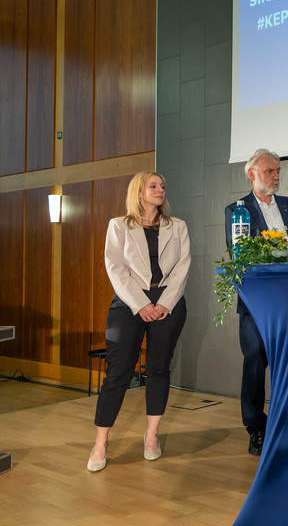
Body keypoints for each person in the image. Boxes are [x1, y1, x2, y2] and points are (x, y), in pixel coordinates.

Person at [87, 171, 191, 472]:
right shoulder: (118, 226)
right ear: (139, 191)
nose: (160, 190)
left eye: (162, 186)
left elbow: (183, 268)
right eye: (154, 186)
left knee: (158, 368)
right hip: (128, 303)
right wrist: (141, 303)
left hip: (168, 305)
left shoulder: (178, 226)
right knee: (117, 373)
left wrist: (163, 303)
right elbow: (115, 267)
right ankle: (100, 442)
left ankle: (152, 435)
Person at [225, 149, 288, 455]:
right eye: (269, 171)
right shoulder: (237, 211)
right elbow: (239, 257)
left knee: (287, 366)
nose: (276, 176)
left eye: (277, 171)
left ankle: (286, 424)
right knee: (255, 365)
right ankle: (256, 428)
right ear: (252, 174)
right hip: (257, 304)